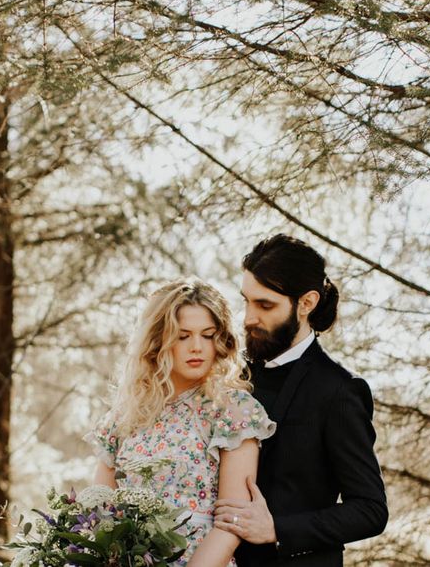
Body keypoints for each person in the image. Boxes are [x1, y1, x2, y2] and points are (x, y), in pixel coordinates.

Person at [214, 234, 388, 566]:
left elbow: (370, 509)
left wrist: (277, 529)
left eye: (265, 305)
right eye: (246, 301)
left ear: (306, 303)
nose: (249, 318)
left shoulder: (339, 391)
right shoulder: (229, 378)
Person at [86, 279, 275, 567]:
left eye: (208, 335)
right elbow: (100, 514)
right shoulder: (123, 418)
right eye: (183, 336)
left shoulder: (232, 410)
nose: (197, 347)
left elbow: (230, 524)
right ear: (159, 340)